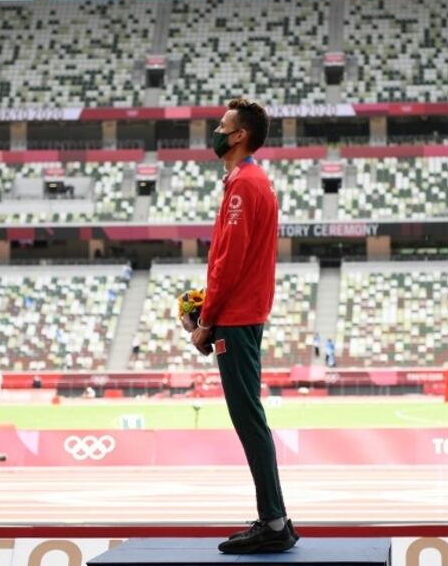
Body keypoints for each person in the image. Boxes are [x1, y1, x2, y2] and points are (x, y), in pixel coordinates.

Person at [189, 98, 298, 554]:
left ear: (238, 136)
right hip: (241, 314)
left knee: (249, 418)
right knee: (249, 416)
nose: (215, 129)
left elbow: (230, 263)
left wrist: (206, 321)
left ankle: (274, 523)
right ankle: (272, 519)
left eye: (222, 124)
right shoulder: (249, 181)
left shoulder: (244, 185)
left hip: (235, 319)